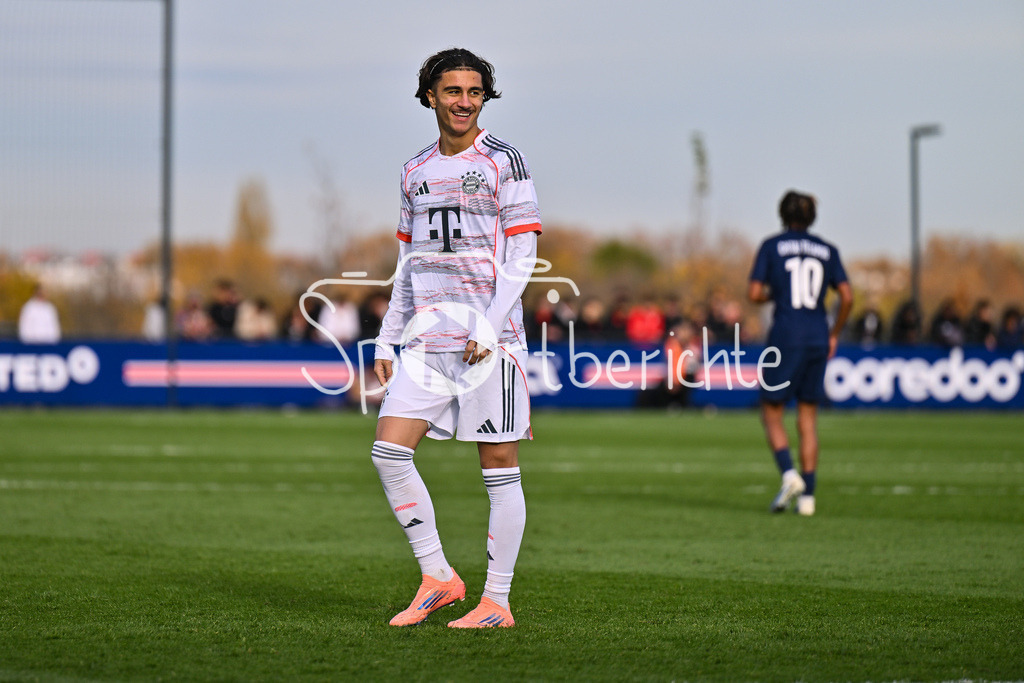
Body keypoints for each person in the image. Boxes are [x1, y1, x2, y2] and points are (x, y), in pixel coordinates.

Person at [370, 48, 541, 629]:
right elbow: (409, 261)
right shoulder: (413, 170)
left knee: (499, 466)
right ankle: (439, 577)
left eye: (474, 92)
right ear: (430, 97)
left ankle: (497, 602)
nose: (464, 102)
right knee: (389, 452)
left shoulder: (504, 161)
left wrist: (490, 325)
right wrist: (387, 338)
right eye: (452, 91)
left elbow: (522, 254)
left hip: (490, 343)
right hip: (426, 342)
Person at [748, 191, 853, 516]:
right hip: (818, 335)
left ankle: (789, 474)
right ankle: (808, 499)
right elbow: (847, 296)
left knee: (771, 411)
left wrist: (774, 295)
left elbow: (754, 292)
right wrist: (834, 333)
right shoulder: (828, 249)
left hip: (786, 334)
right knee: (808, 417)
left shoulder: (771, 246)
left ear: (782, 214)